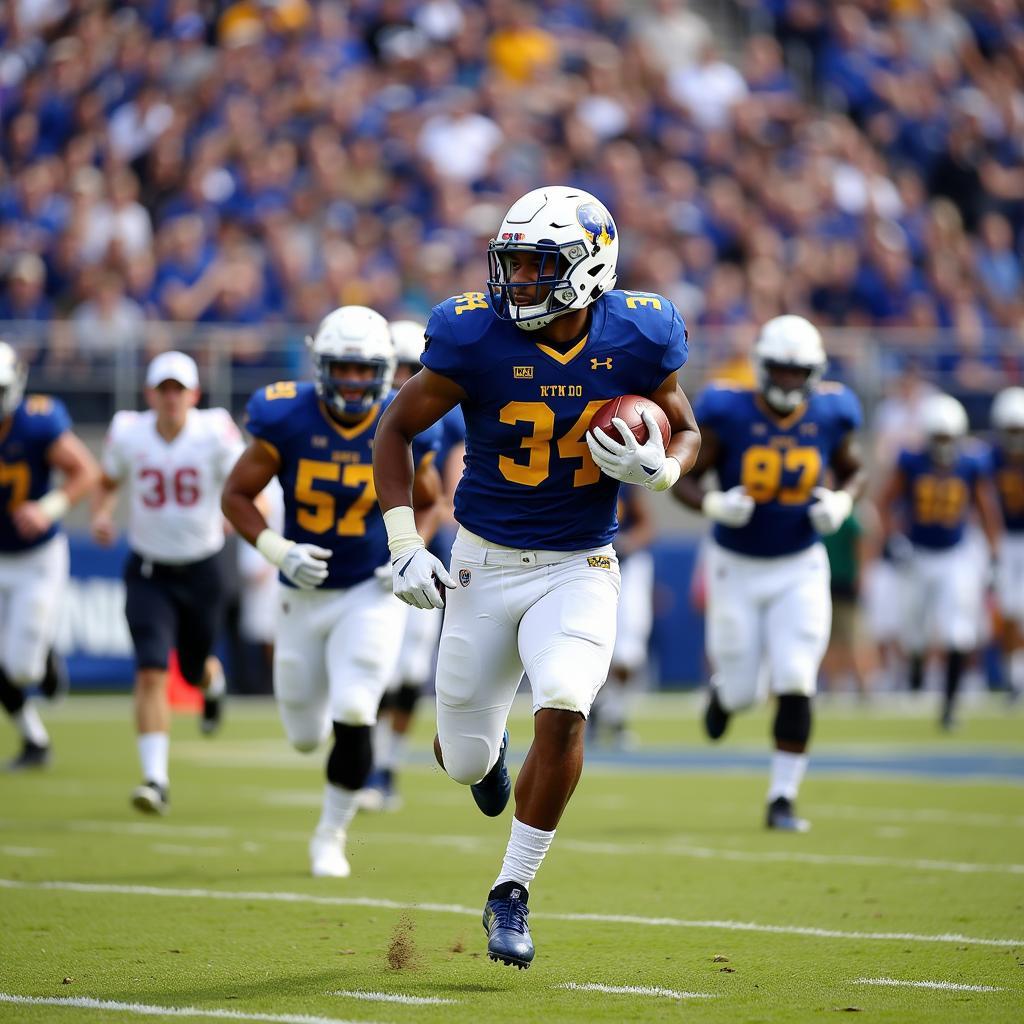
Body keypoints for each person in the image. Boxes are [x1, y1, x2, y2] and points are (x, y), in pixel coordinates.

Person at [372, 185, 699, 968]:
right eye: (512, 264)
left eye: (537, 267)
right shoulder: (472, 334)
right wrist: (401, 544)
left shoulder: (640, 333)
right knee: (463, 758)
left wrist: (663, 471)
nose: (516, 282)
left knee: (566, 699)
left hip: (579, 563)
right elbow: (396, 428)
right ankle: (487, 761)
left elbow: (684, 427)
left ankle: (511, 892)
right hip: (482, 563)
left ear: (591, 270)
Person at [221, 305, 444, 878]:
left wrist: (406, 550)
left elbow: (433, 499)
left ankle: (330, 835)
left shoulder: (404, 418)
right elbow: (236, 497)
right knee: (303, 734)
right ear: (320, 364)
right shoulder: (286, 416)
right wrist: (278, 550)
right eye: (340, 369)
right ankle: (320, 749)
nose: (350, 382)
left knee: (355, 706)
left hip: (370, 590)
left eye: (361, 370)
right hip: (302, 592)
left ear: (382, 370)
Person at [672, 315, 866, 832]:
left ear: (814, 372)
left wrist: (844, 500)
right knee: (741, 692)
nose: (785, 382)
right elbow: (682, 476)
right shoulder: (727, 410)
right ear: (761, 368)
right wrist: (712, 503)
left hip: (800, 564)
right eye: (777, 371)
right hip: (735, 564)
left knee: (796, 677)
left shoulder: (831, 412)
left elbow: (854, 468)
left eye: (795, 372)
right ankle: (724, 693)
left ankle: (782, 797)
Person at [91, 351, 241, 814]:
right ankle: (155, 779)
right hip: (149, 570)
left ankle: (210, 683)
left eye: (180, 389)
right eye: (164, 389)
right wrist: (100, 512)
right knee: (152, 668)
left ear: (194, 394)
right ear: (150, 394)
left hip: (201, 568)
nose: (172, 398)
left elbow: (245, 479)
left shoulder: (214, 431)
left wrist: (239, 513)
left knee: (193, 668)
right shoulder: (128, 432)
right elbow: (107, 479)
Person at [361, 319, 466, 813]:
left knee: (409, 669)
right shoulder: (366, 415)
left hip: (425, 550)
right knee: (372, 665)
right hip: (370, 550)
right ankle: (365, 756)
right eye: (398, 365)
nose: (405, 375)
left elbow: (447, 498)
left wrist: (411, 546)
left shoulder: (445, 417)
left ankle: (385, 764)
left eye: (412, 365)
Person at [0, 342, 99, 769]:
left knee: (21, 668)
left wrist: (48, 508)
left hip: (36, 556)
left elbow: (86, 470)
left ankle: (47, 655)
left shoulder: (38, 421)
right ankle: (34, 740)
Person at [877, 393, 1001, 729]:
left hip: (955, 554)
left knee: (957, 631)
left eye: (948, 438)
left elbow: (986, 507)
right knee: (913, 629)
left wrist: (993, 554)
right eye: (938, 437)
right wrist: (893, 539)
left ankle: (949, 706)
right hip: (916, 554)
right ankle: (916, 664)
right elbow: (885, 501)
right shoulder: (911, 461)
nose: (944, 445)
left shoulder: (971, 463)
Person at [588, 485, 656, 746]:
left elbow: (646, 526)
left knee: (628, 652)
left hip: (626, 567)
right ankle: (596, 710)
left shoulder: (625, 481)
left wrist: (628, 542)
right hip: (586, 565)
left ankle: (613, 712)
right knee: (592, 645)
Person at [990, 387, 1024, 699]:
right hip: (1004, 538)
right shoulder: (990, 457)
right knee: (1010, 608)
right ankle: (1014, 675)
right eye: (1011, 430)